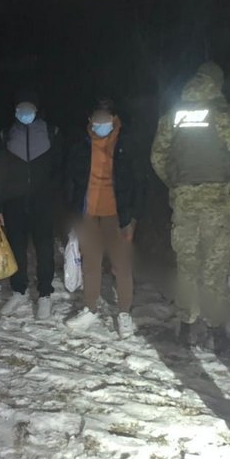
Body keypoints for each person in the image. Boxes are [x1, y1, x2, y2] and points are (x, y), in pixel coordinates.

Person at [150, 61, 230, 356]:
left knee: (186, 266)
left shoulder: (173, 116)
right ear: (219, 84)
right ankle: (217, 332)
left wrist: (179, 186)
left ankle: (186, 329)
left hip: (184, 204)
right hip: (218, 205)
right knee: (214, 267)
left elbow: (158, 158)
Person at [64, 97, 145, 339]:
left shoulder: (126, 145)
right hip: (89, 215)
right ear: (90, 121)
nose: (101, 124)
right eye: (96, 120)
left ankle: (124, 314)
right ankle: (90, 309)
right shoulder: (80, 145)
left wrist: (133, 217)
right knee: (90, 265)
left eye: (105, 120)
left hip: (117, 215)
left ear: (114, 120)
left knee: (122, 265)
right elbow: (69, 181)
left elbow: (140, 183)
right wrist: (73, 215)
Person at [0, 90, 63, 320]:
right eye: (21, 108)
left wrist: (55, 198)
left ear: (37, 109)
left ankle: (44, 296)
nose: (25, 112)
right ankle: (18, 291)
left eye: (29, 108)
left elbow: (59, 170)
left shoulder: (52, 133)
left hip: (42, 203)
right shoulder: (6, 135)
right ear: (15, 110)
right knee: (16, 249)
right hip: (14, 204)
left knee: (45, 250)